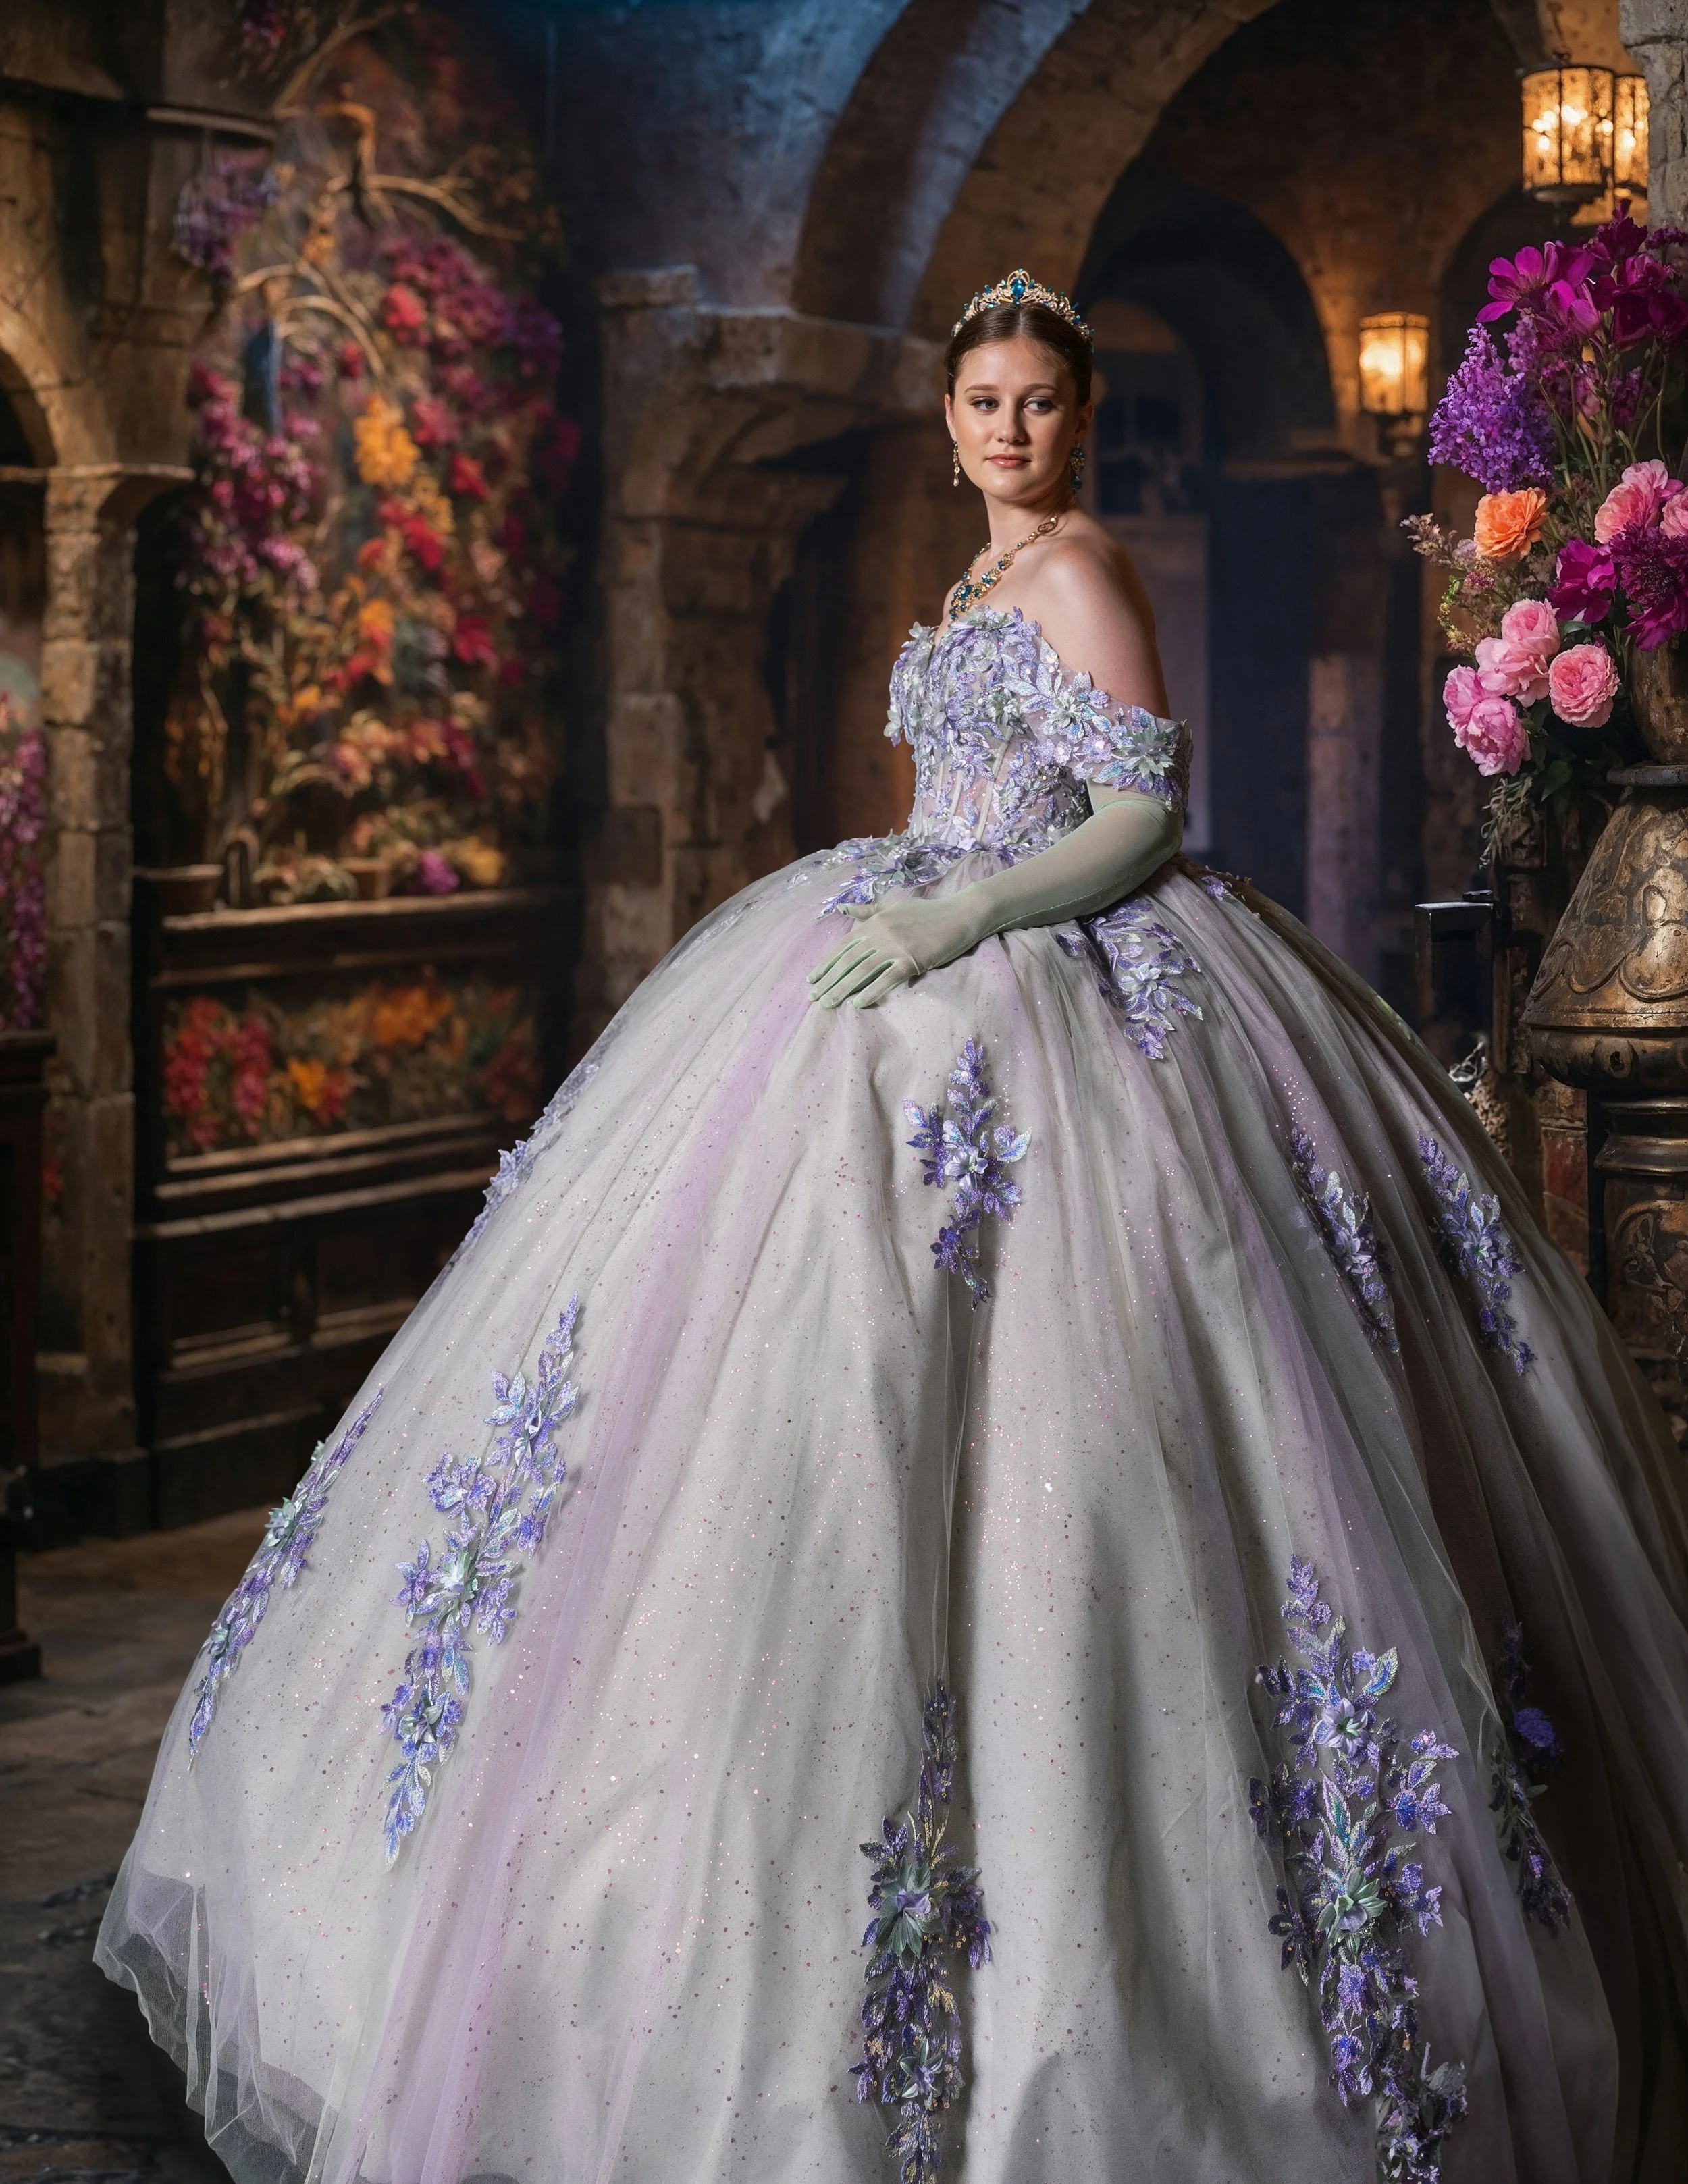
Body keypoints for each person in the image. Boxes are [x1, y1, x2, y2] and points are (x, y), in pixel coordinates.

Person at [99, 271, 1688, 2184]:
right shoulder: (965, 586)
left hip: (1035, 973)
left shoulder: (1088, 570)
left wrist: (955, 922)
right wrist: (912, 900)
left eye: (1038, 403)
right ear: (948, 423)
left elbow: (1133, 818)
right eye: (984, 403)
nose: (1010, 431)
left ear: (1076, 417)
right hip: (891, 937)